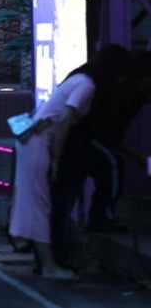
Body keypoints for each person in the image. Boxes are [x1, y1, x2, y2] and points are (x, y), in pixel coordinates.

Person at [9, 43, 130, 279]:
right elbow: (65, 120)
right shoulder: (87, 85)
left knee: (34, 203)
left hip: (30, 139)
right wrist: (56, 159)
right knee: (41, 205)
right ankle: (49, 266)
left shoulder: (78, 78)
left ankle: (27, 245)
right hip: (38, 142)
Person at [51, 50, 151, 263]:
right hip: (77, 138)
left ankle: (56, 254)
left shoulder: (93, 80)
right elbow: (101, 129)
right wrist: (139, 156)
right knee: (111, 165)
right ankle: (100, 219)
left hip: (69, 138)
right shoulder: (95, 86)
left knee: (64, 196)